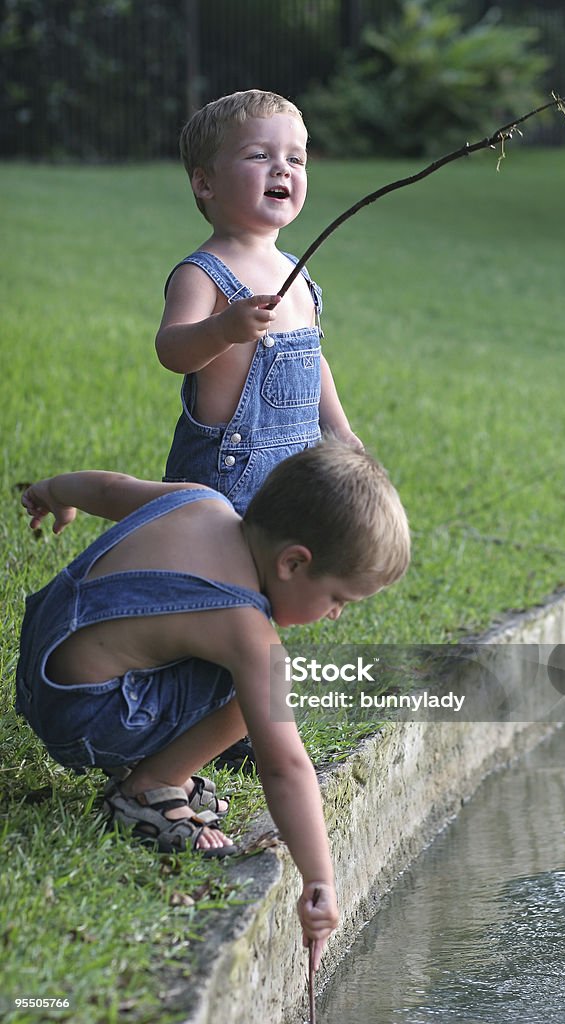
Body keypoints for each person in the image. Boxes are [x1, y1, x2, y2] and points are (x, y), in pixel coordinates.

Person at [15, 439, 410, 967]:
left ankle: (156, 764)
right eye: (338, 598)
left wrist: (51, 491)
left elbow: (109, 489)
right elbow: (285, 766)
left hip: (41, 668)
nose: (336, 614)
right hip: (83, 718)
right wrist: (319, 879)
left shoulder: (202, 501)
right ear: (294, 562)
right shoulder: (247, 633)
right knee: (262, 682)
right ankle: (148, 789)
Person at [157, 88, 361, 518]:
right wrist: (221, 330)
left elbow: (311, 360)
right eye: (259, 156)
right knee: (213, 574)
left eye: (295, 159)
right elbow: (172, 350)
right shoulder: (203, 272)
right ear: (204, 182)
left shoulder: (296, 271)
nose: (282, 170)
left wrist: (337, 428)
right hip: (223, 475)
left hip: (296, 473)